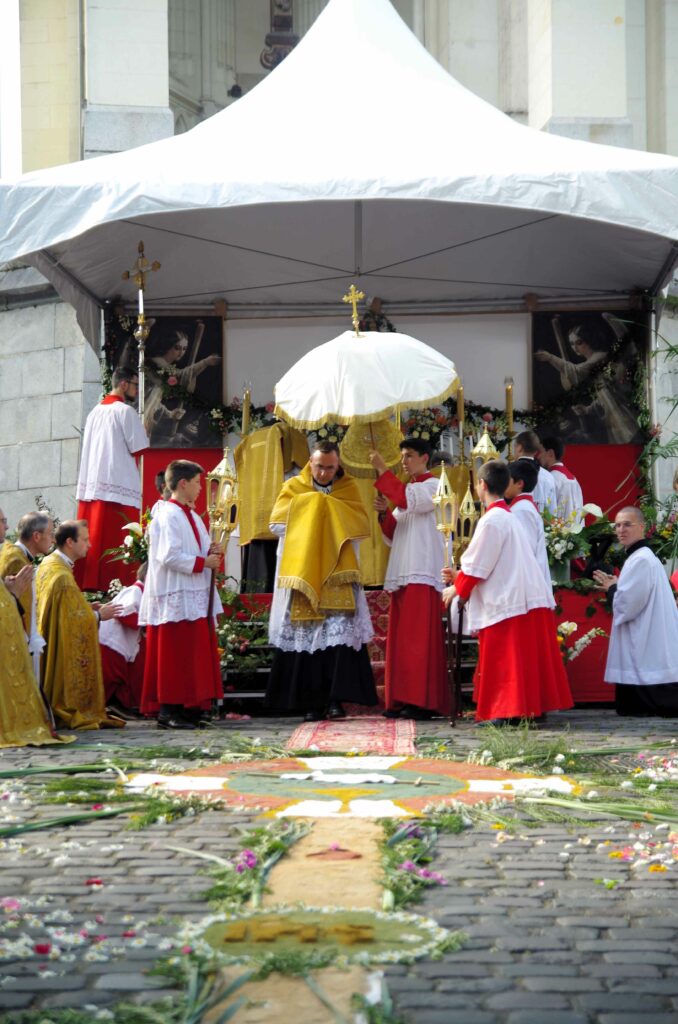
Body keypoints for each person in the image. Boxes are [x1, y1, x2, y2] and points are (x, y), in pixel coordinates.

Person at [442, 460, 572, 724]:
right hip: (519, 594)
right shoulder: (507, 516)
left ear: (482, 485)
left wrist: (456, 587)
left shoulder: (493, 520)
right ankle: (522, 711)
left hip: (508, 600)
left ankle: (504, 711)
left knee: (505, 661)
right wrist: (461, 578)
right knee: (520, 662)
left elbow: (479, 564)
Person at [266, 441, 377, 721]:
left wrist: (328, 509)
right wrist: (316, 506)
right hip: (304, 571)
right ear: (310, 464)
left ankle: (334, 700)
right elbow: (276, 525)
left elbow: (361, 527)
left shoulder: (348, 488)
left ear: (338, 465)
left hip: (338, 572)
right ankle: (309, 702)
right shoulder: (294, 487)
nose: (325, 473)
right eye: (320, 467)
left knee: (338, 643)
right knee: (306, 642)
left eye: (330, 467)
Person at [139, 459, 223, 729]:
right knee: (175, 654)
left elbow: (195, 550)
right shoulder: (166, 515)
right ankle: (169, 710)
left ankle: (189, 707)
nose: (201, 488)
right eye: (198, 483)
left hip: (192, 593)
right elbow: (168, 555)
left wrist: (211, 552)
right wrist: (202, 563)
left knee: (191, 653)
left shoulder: (193, 516)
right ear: (183, 483)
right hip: (175, 593)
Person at [369, 437, 450, 720]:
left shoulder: (434, 486)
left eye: (410, 456)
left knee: (417, 642)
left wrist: (382, 470)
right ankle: (402, 698)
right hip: (404, 572)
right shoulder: (411, 491)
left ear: (425, 458)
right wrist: (383, 515)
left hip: (422, 572)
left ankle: (421, 701)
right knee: (402, 643)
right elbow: (394, 532)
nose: (404, 461)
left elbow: (405, 500)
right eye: (402, 456)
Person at [36, 521, 125, 730]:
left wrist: (85, 606)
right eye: (85, 540)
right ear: (69, 542)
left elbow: (64, 609)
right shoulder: (62, 576)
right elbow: (69, 620)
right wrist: (98, 615)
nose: (90, 544)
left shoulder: (50, 564)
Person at [593, 506, 678, 716]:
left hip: (645, 633)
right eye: (618, 525)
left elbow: (628, 605)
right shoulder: (640, 557)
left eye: (627, 525)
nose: (621, 529)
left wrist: (612, 588)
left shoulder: (641, 559)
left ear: (642, 527)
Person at [75, 366, 149, 591]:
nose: (137, 391)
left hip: (93, 485)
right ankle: (118, 588)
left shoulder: (94, 411)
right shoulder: (124, 411)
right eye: (136, 386)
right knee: (117, 546)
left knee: (95, 540)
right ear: (124, 384)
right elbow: (139, 447)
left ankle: (90, 586)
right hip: (118, 485)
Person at [535, 313, 642, 444]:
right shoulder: (592, 362)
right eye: (572, 344)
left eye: (579, 342)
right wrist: (588, 409)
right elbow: (603, 395)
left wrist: (550, 358)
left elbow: (576, 372)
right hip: (612, 414)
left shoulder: (599, 357)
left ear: (589, 340)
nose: (575, 348)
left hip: (621, 413)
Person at [144, 325, 221, 446]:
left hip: (151, 415)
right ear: (167, 346)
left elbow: (155, 403)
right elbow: (180, 377)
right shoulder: (156, 362)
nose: (181, 353)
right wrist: (205, 362)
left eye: (184, 349)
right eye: (177, 348)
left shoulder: (167, 366)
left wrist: (170, 414)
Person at [0, 512, 54, 680]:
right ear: (36, 536)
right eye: (50, 534)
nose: (53, 539)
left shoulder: (19, 556)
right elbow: (19, 616)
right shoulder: (17, 561)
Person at [99, 563, 147, 718]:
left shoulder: (140, 592)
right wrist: (147, 624)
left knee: (120, 678)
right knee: (113, 677)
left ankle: (119, 706)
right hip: (112, 643)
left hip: (119, 643)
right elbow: (124, 613)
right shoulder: (135, 591)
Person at [505, 461, 552, 588]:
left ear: (519, 483)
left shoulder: (522, 509)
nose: (503, 484)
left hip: (527, 582)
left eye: (506, 480)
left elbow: (526, 551)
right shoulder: (522, 506)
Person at [539, 435, 584, 522]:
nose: (538, 456)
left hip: (556, 533)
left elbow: (546, 512)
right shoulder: (574, 479)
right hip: (575, 533)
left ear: (550, 453)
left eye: (541, 452)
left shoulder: (550, 479)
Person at [513, 430, 557, 514]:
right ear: (536, 451)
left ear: (519, 447)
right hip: (540, 524)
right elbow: (552, 511)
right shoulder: (548, 476)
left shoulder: (509, 472)